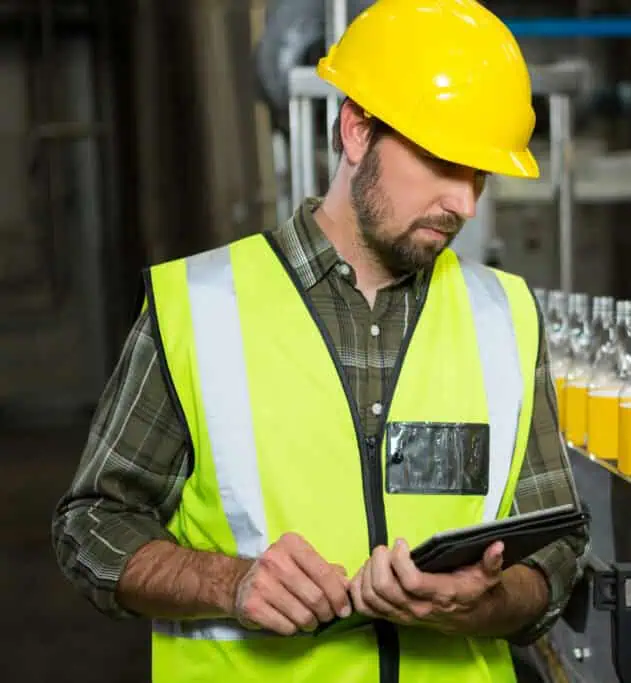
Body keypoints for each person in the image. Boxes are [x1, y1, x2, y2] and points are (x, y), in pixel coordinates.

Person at [50, 1, 587, 681]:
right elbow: (93, 524)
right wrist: (230, 582)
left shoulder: (504, 317)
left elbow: (556, 549)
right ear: (357, 131)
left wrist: (485, 603)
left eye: (479, 173)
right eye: (444, 162)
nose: (466, 203)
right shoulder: (200, 309)